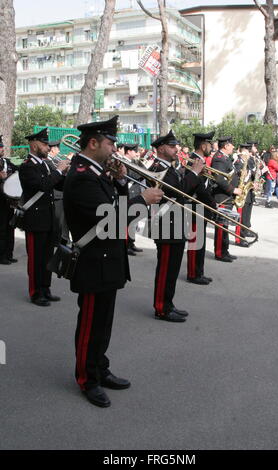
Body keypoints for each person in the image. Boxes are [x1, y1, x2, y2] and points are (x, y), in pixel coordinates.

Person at [63, 116, 163, 407]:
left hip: (107, 259)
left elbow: (115, 205)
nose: (114, 149)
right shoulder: (82, 174)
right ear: (93, 143)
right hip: (94, 260)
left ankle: (100, 367)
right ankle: (86, 378)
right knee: (90, 324)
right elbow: (109, 215)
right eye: (110, 143)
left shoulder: (95, 171)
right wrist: (142, 199)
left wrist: (120, 180)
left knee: (103, 323)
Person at [149, 130, 203, 322]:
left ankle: (168, 303)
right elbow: (178, 192)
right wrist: (194, 174)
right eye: (172, 146)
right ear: (161, 148)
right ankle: (161, 307)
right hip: (165, 225)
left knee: (172, 269)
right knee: (165, 269)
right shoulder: (157, 167)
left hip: (176, 223)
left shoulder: (169, 167)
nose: (176, 149)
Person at [19, 128, 70, 306]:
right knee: (36, 259)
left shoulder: (46, 164)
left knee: (48, 257)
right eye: (44, 144)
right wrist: (58, 172)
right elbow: (42, 185)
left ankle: (45, 289)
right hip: (35, 220)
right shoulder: (27, 166)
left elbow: (58, 186)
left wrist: (66, 174)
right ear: (34, 145)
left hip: (49, 219)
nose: (48, 147)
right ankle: (35, 292)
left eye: (48, 144)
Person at [186, 131, 217, 285]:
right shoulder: (192, 161)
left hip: (201, 206)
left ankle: (199, 271)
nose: (211, 147)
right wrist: (211, 202)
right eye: (210, 144)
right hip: (194, 206)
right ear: (203, 145)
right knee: (195, 243)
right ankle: (193, 273)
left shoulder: (200, 160)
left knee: (201, 242)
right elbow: (197, 187)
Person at [211, 136, 242, 262]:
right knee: (221, 226)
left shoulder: (225, 158)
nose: (233, 147)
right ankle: (219, 252)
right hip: (222, 197)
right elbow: (219, 179)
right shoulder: (219, 159)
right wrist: (233, 190)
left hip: (227, 197)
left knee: (225, 225)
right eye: (231, 145)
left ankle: (225, 250)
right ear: (225, 146)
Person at [123, 143, 144, 255]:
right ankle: (126, 245)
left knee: (133, 221)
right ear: (129, 151)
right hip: (129, 194)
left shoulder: (134, 162)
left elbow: (144, 171)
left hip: (135, 193)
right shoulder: (124, 162)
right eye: (135, 151)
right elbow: (132, 175)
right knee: (128, 221)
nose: (137, 153)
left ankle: (131, 243)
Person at [0, 135, 18, 265]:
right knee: (1, 230)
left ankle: (9, 254)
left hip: (9, 202)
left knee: (10, 228)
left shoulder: (7, 162)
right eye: (0, 147)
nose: (2, 149)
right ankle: (1, 256)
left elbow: (18, 174)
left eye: (2, 147)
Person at [234, 143, 256, 247]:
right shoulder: (238, 162)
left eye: (248, 151)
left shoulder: (246, 162)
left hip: (247, 192)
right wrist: (246, 172)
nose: (248, 153)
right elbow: (238, 174)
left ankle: (243, 234)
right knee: (241, 217)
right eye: (246, 151)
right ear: (241, 152)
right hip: (242, 192)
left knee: (246, 216)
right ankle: (239, 239)